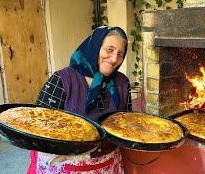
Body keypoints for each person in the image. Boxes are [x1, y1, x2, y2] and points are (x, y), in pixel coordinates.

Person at [27, 26, 132, 174]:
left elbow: (127, 121)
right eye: (109, 50)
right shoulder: (62, 80)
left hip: (107, 163)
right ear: (95, 47)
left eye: (120, 54)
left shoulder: (122, 83)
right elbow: (37, 126)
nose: (114, 59)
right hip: (64, 164)